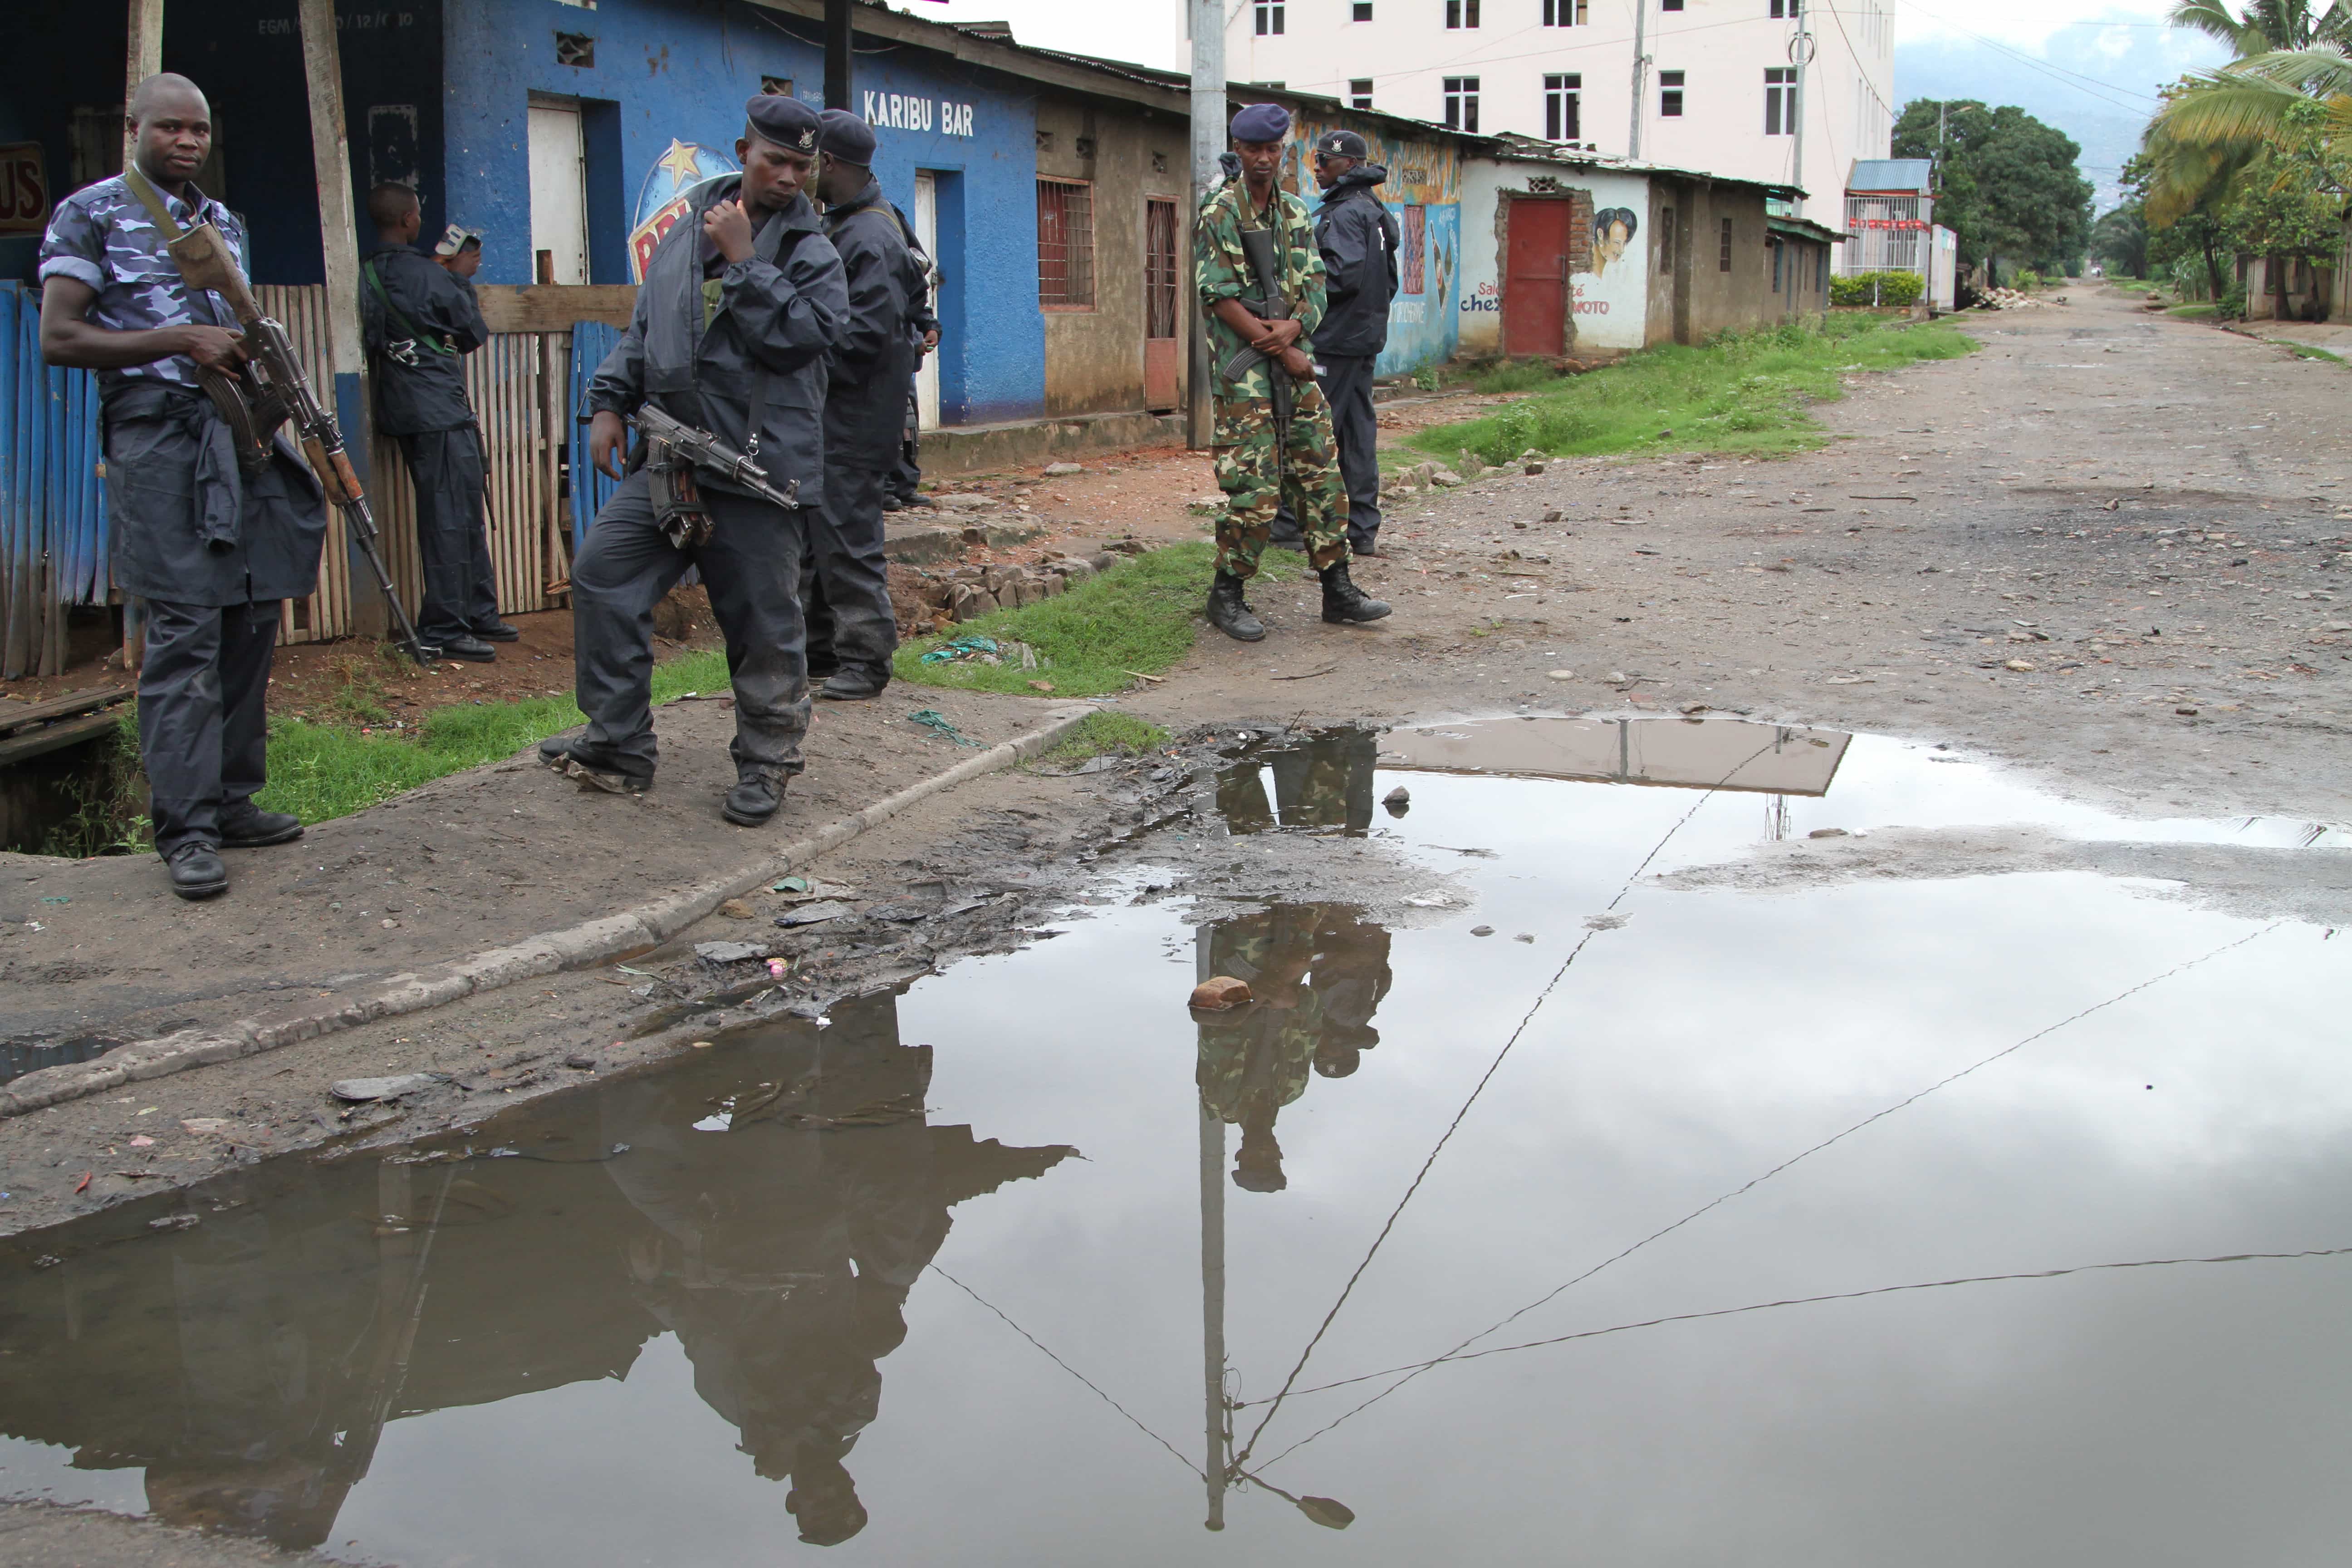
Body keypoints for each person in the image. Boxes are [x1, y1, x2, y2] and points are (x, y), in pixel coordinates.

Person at [37, 73, 323, 900]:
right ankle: (187, 829)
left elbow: (231, 333)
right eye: (169, 129)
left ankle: (233, 802)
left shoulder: (220, 220)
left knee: (250, 617)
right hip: (157, 440)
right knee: (186, 633)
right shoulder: (89, 213)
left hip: (233, 432)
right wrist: (180, 339)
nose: (187, 142)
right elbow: (60, 336)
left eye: (198, 130)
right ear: (134, 128)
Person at [547, 93, 846, 827]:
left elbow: (804, 338)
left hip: (757, 473)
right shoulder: (686, 230)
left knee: (762, 628)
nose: (788, 177)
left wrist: (746, 262)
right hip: (669, 459)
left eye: (802, 166)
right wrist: (609, 403)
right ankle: (618, 744)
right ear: (742, 150)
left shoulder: (812, 253)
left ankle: (767, 764)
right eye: (775, 160)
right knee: (602, 575)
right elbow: (644, 328)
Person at [1194, 103, 1388, 643]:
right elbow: (1218, 298)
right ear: (1239, 149)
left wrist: (1296, 326)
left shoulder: (1298, 212)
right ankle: (1227, 593)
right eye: (1253, 150)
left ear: (1284, 152)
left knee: (1320, 472)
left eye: (1272, 150)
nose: (1262, 159)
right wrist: (1279, 345)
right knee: (1254, 488)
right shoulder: (1219, 211)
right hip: (1247, 368)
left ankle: (1338, 589)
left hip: (1290, 351)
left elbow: (1317, 286)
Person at [802, 110, 926, 701]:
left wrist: (793, 351)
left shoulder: (869, 234)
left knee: (850, 539)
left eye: (807, 161)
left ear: (829, 162)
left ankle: (865, 660)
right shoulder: (848, 225)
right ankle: (823, 650)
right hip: (838, 416)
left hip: (854, 417)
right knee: (817, 537)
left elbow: (864, 335)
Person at [359, 184, 508, 662]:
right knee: (451, 516)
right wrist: (460, 277)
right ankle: (446, 625)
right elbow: (471, 333)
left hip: (404, 405)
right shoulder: (427, 276)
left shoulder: (367, 273)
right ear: (409, 220)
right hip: (439, 408)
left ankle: (479, 611)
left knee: (459, 508)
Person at [1307, 131, 1399, 557]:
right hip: (1365, 339)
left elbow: (1340, 277)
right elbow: (1391, 281)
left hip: (1337, 341)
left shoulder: (1345, 213)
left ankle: (1295, 527)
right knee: (1359, 433)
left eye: (1325, 160)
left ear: (1349, 164)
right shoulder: (1374, 210)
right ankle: (1362, 529)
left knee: (1315, 431)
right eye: (1316, 158)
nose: (1318, 167)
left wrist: (1302, 280)